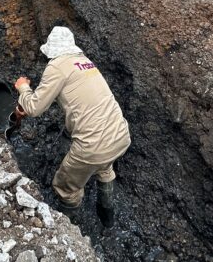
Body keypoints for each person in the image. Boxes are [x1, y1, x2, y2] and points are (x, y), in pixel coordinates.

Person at [14, 27, 130, 225]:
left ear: (52, 49)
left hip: (93, 146)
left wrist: (23, 87)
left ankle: (67, 231)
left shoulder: (57, 66)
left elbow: (33, 108)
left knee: (64, 187)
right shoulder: (85, 62)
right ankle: (107, 220)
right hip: (119, 135)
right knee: (104, 168)